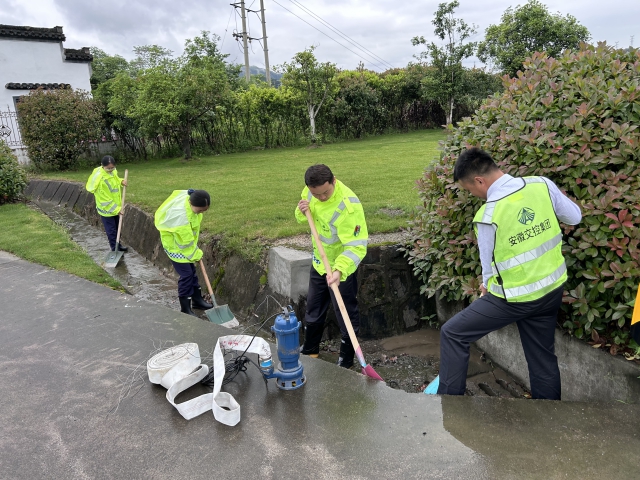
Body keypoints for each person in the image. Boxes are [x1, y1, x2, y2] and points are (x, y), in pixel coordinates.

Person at [436, 147, 582, 400]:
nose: (475, 194)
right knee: (542, 358)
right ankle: (551, 419)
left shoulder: (488, 214)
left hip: (514, 299)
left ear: (480, 180)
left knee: (453, 333)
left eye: (471, 189)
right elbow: (575, 216)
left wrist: (486, 286)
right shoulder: (541, 185)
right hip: (551, 290)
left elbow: (488, 271)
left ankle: (450, 408)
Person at [295, 164, 368, 368]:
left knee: (345, 310)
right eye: (316, 194)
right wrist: (301, 210)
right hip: (320, 263)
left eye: (325, 193)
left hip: (341, 268)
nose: (321, 198)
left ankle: (346, 358)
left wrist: (339, 270)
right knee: (314, 306)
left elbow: (356, 247)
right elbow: (303, 216)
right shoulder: (310, 192)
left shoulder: (348, 207)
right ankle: (310, 349)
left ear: (334, 180)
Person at [154, 189, 213, 317]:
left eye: (204, 210)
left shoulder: (189, 199)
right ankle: (185, 308)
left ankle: (197, 301)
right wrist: (196, 254)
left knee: (192, 272)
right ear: (191, 204)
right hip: (176, 247)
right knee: (186, 275)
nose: (202, 213)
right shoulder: (182, 218)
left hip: (184, 244)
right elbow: (185, 244)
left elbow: (181, 192)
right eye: (200, 210)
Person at [85, 155, 128, 252]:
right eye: (108, 168)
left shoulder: (113, 172)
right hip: (106, 210)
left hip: (115, 207)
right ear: (102, 166)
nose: (111, 170)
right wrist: (118, 210)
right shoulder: (101, 180)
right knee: (111, 231)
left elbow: (115, 179)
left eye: (112, 167)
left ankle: (118, 245)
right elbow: (106, 200)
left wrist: (121, 181)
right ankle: (114, 249)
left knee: (118, 228)